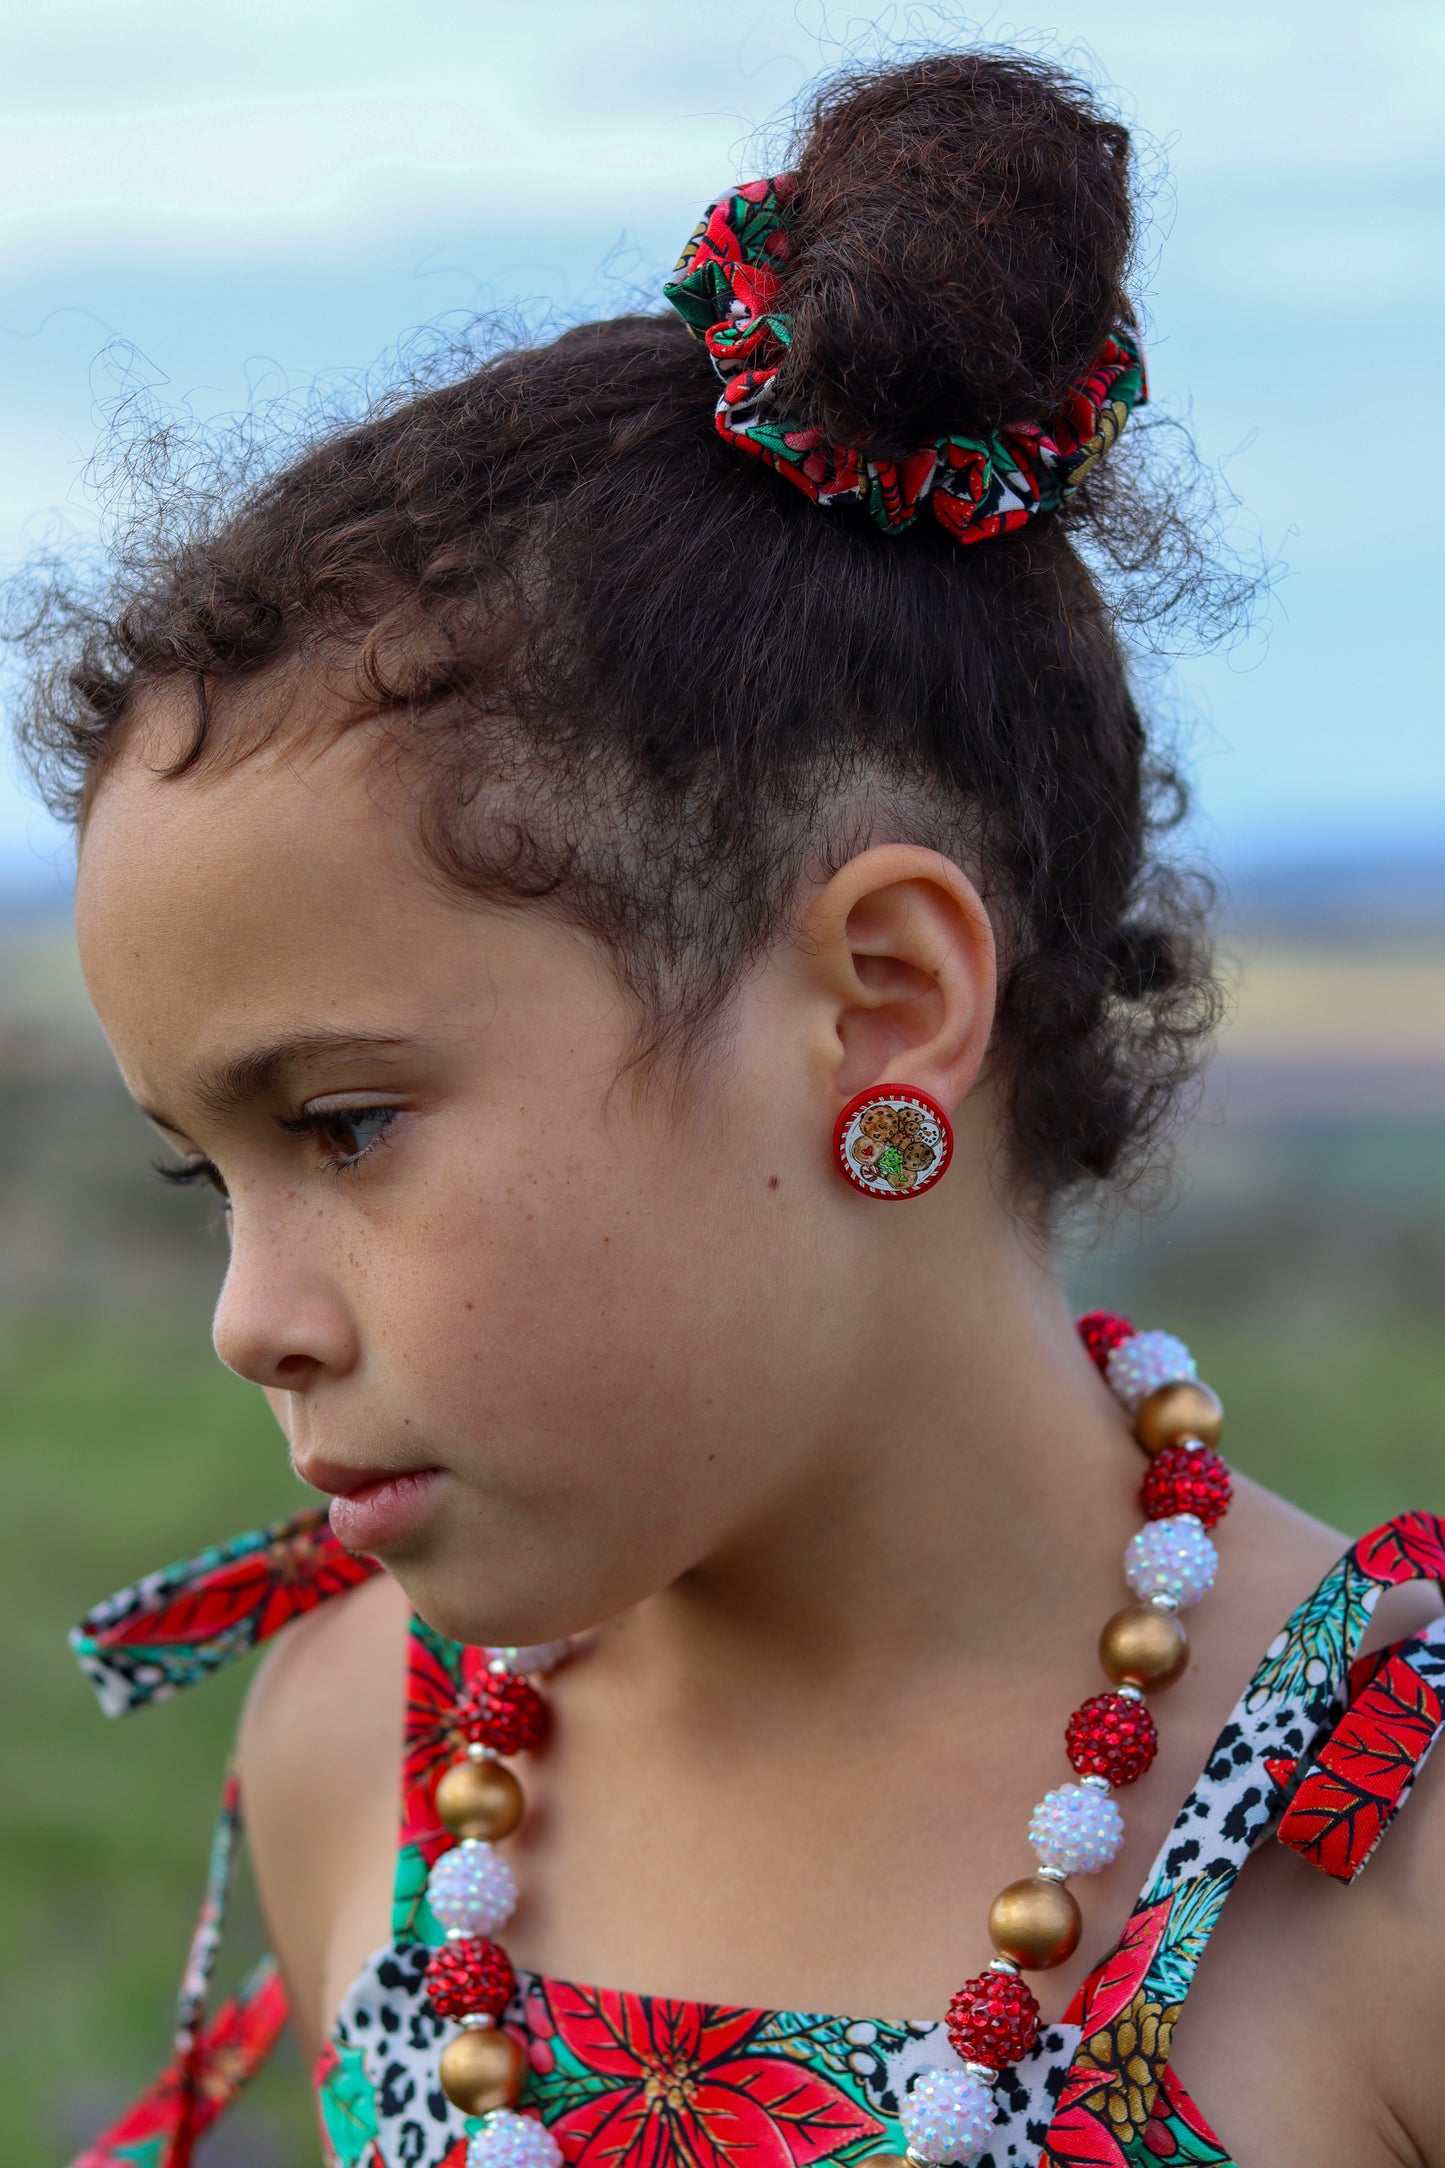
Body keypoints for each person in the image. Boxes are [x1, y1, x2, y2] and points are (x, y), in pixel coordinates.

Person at [21, 47, 1445, 2168]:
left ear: (883, 1003)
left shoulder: (1381, 1849)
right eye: (200, 1165)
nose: (250, 1318)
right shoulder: (370, 1754)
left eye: (339, 1126)